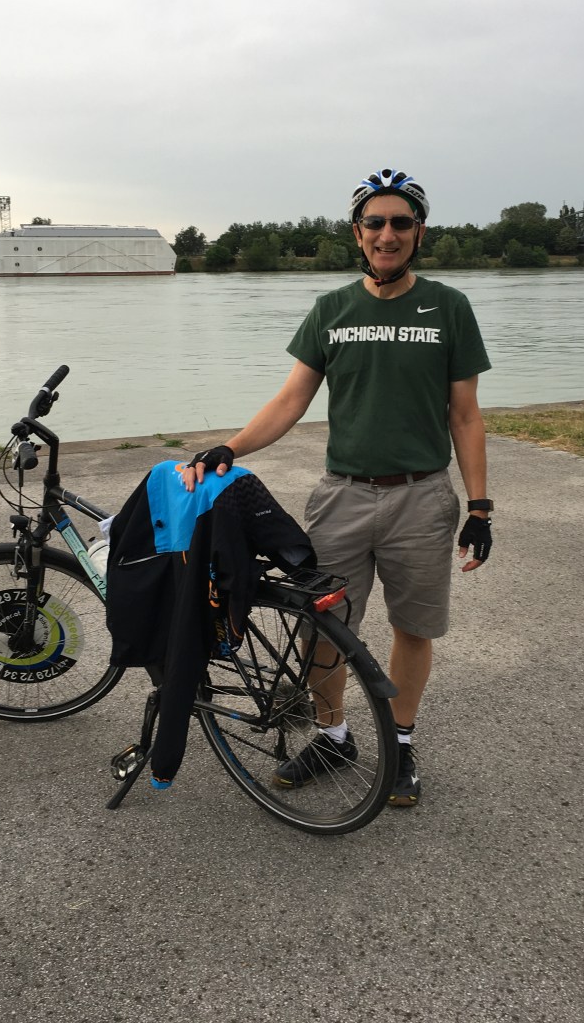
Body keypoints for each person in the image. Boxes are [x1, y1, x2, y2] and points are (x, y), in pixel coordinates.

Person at [184, 167, 492, 808]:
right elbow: (291, 399)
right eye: (375, 223)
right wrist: (231, 447)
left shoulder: (449, 307)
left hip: (421, 496)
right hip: (342, 494)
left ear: (419, 232)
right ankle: (334, 738)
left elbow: (465, 415)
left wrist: (481, 507)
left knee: (413, 627)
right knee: (321, 627)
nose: (387, 234)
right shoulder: (331, 309)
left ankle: (399, 745)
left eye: (401, 223)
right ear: (358, 233)